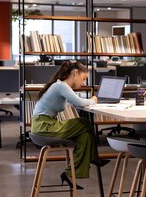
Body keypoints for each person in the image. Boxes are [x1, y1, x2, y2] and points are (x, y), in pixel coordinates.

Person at [31, 61, 106, 190]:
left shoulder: (61, 86)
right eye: (83, 79)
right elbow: (80, 102)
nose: (83, 83)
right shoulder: (61, 86)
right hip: (43, 126)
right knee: (84, 123)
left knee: (85, 136)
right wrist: (94, 100)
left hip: (45, 125)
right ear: (75, 73)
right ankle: (92, 157)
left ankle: (69, 174)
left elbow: (76, 103)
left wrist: (85, 103)